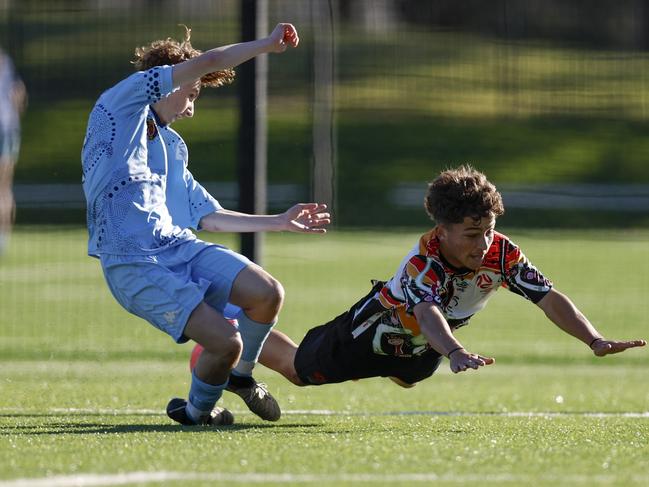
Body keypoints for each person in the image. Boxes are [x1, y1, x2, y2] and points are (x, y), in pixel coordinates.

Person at [192, 165, 645, 389]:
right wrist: (455, 350)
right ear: (441, 231)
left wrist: (594, 340)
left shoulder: (502, 254)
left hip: (426, 346)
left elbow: (547, 297)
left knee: (408, 379)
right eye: (471, 234)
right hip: (370, 332)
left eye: (488, 231)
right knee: (297, 372)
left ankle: (402, 366)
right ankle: (227, 329)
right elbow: (427, 312)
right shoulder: (424, 263)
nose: (483, 244)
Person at [81, 23, 330, 427]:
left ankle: (235, 381)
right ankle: (202, 409)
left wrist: (279, 222)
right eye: (191, 94)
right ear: (166, 82)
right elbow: (212, 60)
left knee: (267, 293)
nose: (192, 108)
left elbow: (206, 216)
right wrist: (266, 45)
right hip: (132, 263)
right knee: (225, 341)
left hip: (177, 246)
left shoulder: (171, 145)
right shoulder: (120, 104)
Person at [0, 48, 26, 255]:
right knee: (3, 188)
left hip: (5, 128)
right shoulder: (5, 60)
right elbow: (19, 94)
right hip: (8, 128)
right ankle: (2, 239)